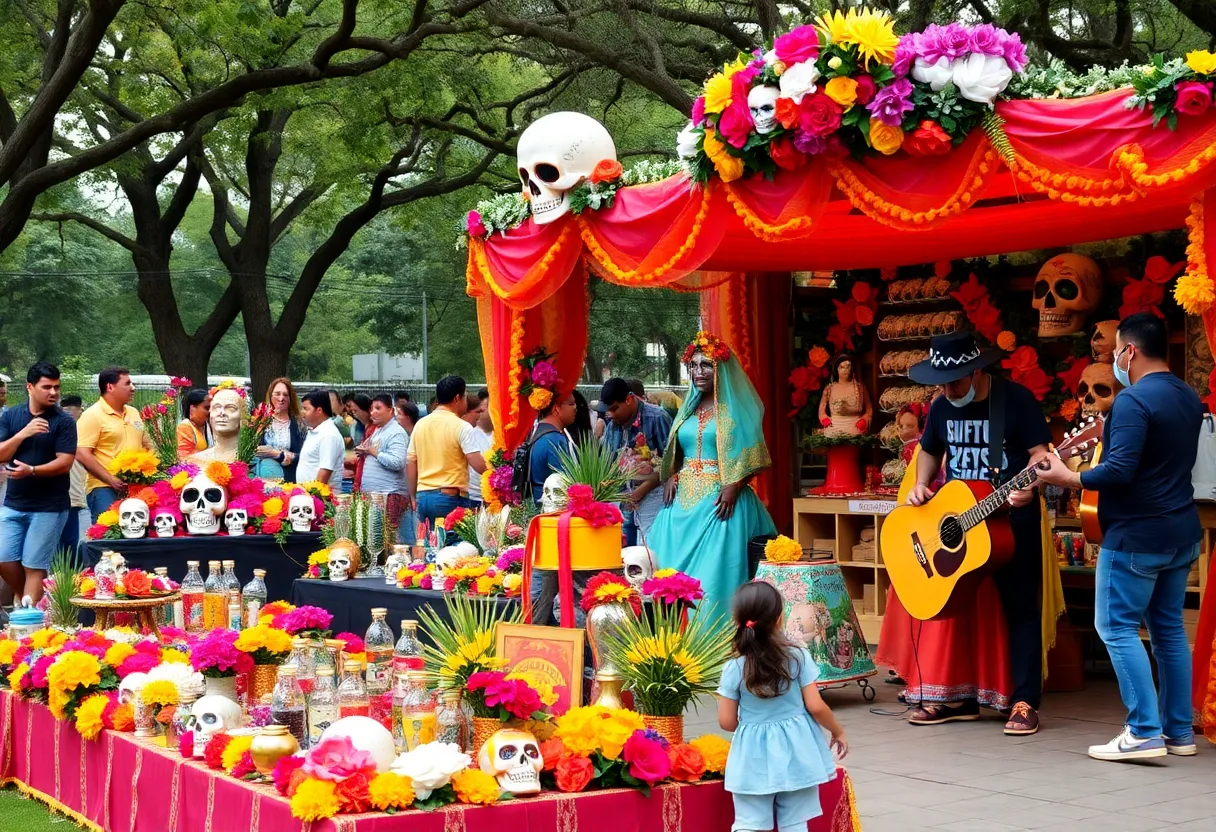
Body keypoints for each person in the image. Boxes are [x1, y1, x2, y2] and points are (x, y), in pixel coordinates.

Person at [1038, 313, 1202, 760]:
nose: (1114, 363)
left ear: (1129, 352)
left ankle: (1143, 731)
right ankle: (1179, 732)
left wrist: (1067, 476)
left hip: (1136, 535)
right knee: (1167, 630)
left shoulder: (1132, 401)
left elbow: (1119, 470)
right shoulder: (1189, 396)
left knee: (1114, 627)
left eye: (1114, 355)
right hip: (1180, 531)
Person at [900, 330, 1052, 735]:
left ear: (977, 371)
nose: (948, 389)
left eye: (955, 381)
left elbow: (1041, 457)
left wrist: (1029, 487)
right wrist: (921, 484)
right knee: (955, 614)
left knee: (1020, 610)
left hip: (1008, 521)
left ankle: (1023, 701)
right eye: (942, 383)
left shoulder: (1015, 400)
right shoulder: (942, 406)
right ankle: (958, 697)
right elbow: (930, 450)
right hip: (958, 525)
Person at [649, 334, 776, 620]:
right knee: (669, 569)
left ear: (720, 368)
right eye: (693, 366)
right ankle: (675, 637)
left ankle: (715, 639)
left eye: (706, 365)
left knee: (714, 575)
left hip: (722, 503)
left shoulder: (736, 411)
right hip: (681, 503)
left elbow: (753, 457)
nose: (698, 372)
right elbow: (677, 449)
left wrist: (735, 485)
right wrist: (670, 476)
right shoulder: (688, 408)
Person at [717, 582, 845, 832]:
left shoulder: (733, 668)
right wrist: (837, 731)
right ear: (778, 619)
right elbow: (815, 706)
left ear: (738, 620)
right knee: (795, 822)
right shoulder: (798, 656)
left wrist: (752, 725)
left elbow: (727, 722)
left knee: (749, 823)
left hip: (751, 754)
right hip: (799, 748)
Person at [0, 363, 77, 603]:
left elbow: (65, 462)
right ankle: (29, 599)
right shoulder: (12, 416)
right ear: (29, 387)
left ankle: (28, 623)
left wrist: (31, 470)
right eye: (47, 387)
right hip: (14, 503)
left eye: (56, 387)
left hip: (50, 507)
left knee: (34, 564)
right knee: (3, 558)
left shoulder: (63, 421)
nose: (53, 392)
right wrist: (24, 433)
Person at [600, 377, 672, 545]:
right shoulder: (612, 425)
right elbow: (609, 462)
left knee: (648, 549)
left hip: (655, 498)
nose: (610, 415)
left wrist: (642, 490)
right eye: (607, 411)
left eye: (614, 408)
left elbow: (672, 464)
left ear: (629, 399)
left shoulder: (658, 418)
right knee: (626, 552)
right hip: (624, 501)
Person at [527, 391, 578, 625]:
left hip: (544, 523)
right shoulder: (555, 441)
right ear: (556, 408)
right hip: (556, 525)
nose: (576, 408)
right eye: (571, 404)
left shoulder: (538, 435)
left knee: (542, 591)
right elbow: (569, 483)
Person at [406, 376, 486, 526]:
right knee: (452, 547)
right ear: (457, 398)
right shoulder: (461, 426)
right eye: (465, 397)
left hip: (423, 497)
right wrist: (497, 468)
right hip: (449, 498)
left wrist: (412, 495)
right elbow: (478, 464)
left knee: (428, 545)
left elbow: (411, 462)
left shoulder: (420, 425)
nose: (466, 402)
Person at [76, 367, 151, 521]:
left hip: (135, 485)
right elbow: (82, 454)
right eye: (127, 383)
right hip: (104, 487)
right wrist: (110, 479)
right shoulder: (92, 415)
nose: (133, 388)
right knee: (109, 536)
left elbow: (146, 445)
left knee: (136, 533)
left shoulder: (133, 413)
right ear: (110, 387)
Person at [356, 394, 411, 536]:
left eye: (378, 408)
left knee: (389, 540)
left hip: (390, 495)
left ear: (390, 410)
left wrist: (374, 452)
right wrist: (365, 452)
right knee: (375, 540)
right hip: (375, 497)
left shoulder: (396, 432)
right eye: (371, 409)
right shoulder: (378, 430)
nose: (372, 412)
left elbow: (398, 462)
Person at [254, 377, 304, 481]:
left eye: (285, 395)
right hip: (262, 481)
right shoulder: (259, 421)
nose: (281, 398)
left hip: (291, 481)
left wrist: (277, 454)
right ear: (270, 395)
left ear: (290, 398)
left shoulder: (300, 424)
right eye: (277, 394)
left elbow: (307, 456)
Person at [58, 396, 89, 552]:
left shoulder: (84, 431)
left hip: (74, 492)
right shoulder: (59, 429)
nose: (69, 413)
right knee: (62, 540)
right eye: (66, 410)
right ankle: (62, 573)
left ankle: (72, 573)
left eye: (72, 409)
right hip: (63, 492)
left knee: (70, 540)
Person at [297, 391, 346, 485]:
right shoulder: (314, 431)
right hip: (307, 494)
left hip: (320, 496)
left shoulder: (329, 435)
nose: (302, 412)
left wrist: (314, 496)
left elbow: (324, 472)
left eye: (306, 409)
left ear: (319, 410)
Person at [818, 352, 873, 436]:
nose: (846, 370)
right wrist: (825, 420)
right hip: (834, 431)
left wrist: (864, 420)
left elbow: (869, 409)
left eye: (848, 366)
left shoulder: (860, 388)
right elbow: (821, 410)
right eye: (842, 367)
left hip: (855, 431)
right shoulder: (829, 389)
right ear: (836, 369)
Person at [466, 396, 494, 505]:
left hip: (493, 497)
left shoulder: (500, 435)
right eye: (480, 411)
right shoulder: (468, 433)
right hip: (473, 496)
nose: (482, 414)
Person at [176, 388, 211, 459]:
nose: (210, 411)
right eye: (207, 408)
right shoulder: (185, 427)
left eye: (212, 408)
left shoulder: (206, 425)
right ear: (192, 408)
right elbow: (185, 457)